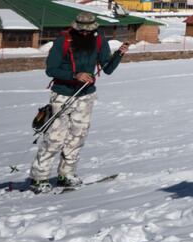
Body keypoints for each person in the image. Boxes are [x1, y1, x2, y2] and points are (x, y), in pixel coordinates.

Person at [29, 13, 129, 192]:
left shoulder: (99, 41)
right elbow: (51, 69)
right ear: (75, 28)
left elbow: (107, 69)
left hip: (85, 96)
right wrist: (75, 76)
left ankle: (66, 175)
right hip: (62, 95)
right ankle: (39, 177)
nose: (84, 34)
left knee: (77, 137)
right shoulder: (63, 41)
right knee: (54, 138)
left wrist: (119, 54)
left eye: (88, 31)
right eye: (81, 30)